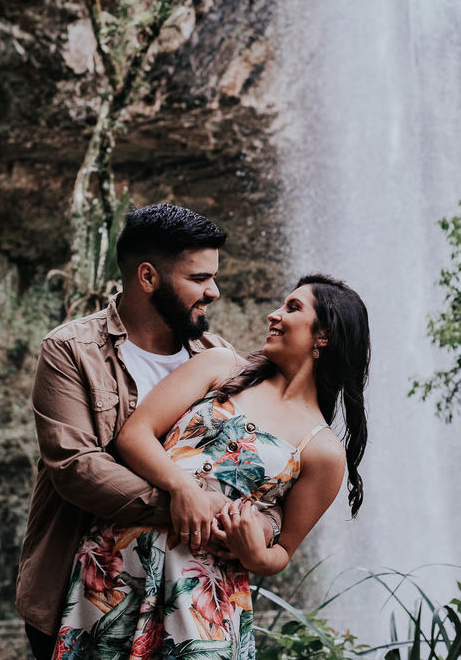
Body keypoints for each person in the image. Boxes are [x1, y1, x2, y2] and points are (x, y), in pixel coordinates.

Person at [51, 274, 370, 660]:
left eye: (293, 307)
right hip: (117, 567)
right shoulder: (221, 368)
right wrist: (183, 488)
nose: (274, 314)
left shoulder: (323, 450)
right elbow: (134, 435)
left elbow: (282, 553)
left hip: (203, 598)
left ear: (324, 336)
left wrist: (254, 554)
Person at [16, 204, 279, 660]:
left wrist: (260, 528)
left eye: (213, 277)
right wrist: (188, 501)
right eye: (199, 278)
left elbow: (259, 467)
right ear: (147, 277)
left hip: (190, 607)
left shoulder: (219, 357)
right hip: (78, 602)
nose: (213, 291)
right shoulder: (71, 351)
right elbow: (77, 469)